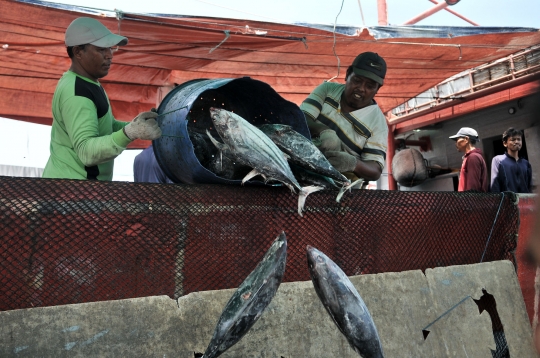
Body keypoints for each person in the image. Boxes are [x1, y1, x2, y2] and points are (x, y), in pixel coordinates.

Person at [42, 17, 161, 180]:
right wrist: (130, 132)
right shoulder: (77, 92)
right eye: (101, 49)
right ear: (78, 52)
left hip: (78, 190)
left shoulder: (89, 83)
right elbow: (87, 152)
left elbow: (107, 127)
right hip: (71, 192)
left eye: (110, 48)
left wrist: (136, 125)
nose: (109, 55)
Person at [300, 52, 388, 184]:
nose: (361, 89)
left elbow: (375, 170)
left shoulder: (378, 124)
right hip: (301, 168)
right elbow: (301, 117)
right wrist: (324, 130)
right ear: (347, 75)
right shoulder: (327, 90)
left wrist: (353, 164)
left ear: (377, 89)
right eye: (357, 80)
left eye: (370, 86)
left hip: (342, 190)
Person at [490, 127, 532, 193]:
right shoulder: (498, 160)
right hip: (507, 202)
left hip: (525, 201)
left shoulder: (526, 163)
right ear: (505, 143)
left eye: (519, 139)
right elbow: (495, 185)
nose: (517, 142)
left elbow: (530, 186)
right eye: (513, 140)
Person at [448, 127, 488, 192]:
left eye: (457, 139)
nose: (456, 143)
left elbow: (473, 187)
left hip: (472, 201)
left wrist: (469, 201)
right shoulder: (471, 156)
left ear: (466, 139)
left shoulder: (473, 157)